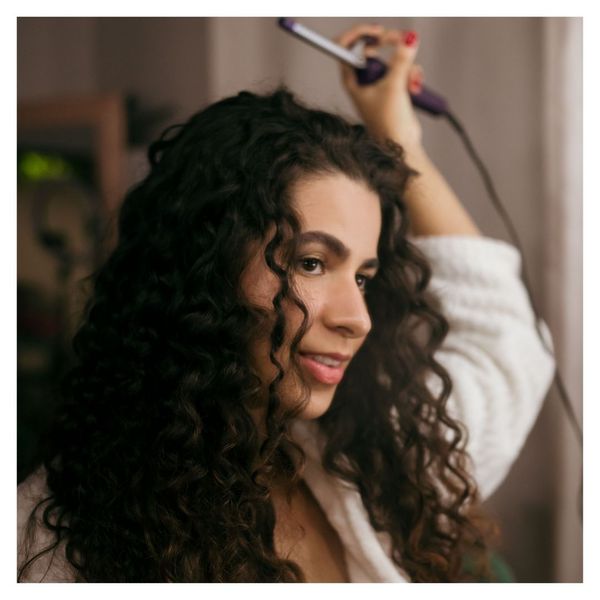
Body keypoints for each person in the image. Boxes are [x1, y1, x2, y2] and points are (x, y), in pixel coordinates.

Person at [17, 24, 555, 583]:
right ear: (206, 267)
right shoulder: (52, 544)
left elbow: (506, 342)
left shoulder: (364, 468)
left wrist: (401, 137)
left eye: (364, 277)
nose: (357, 318)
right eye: (312, 263)